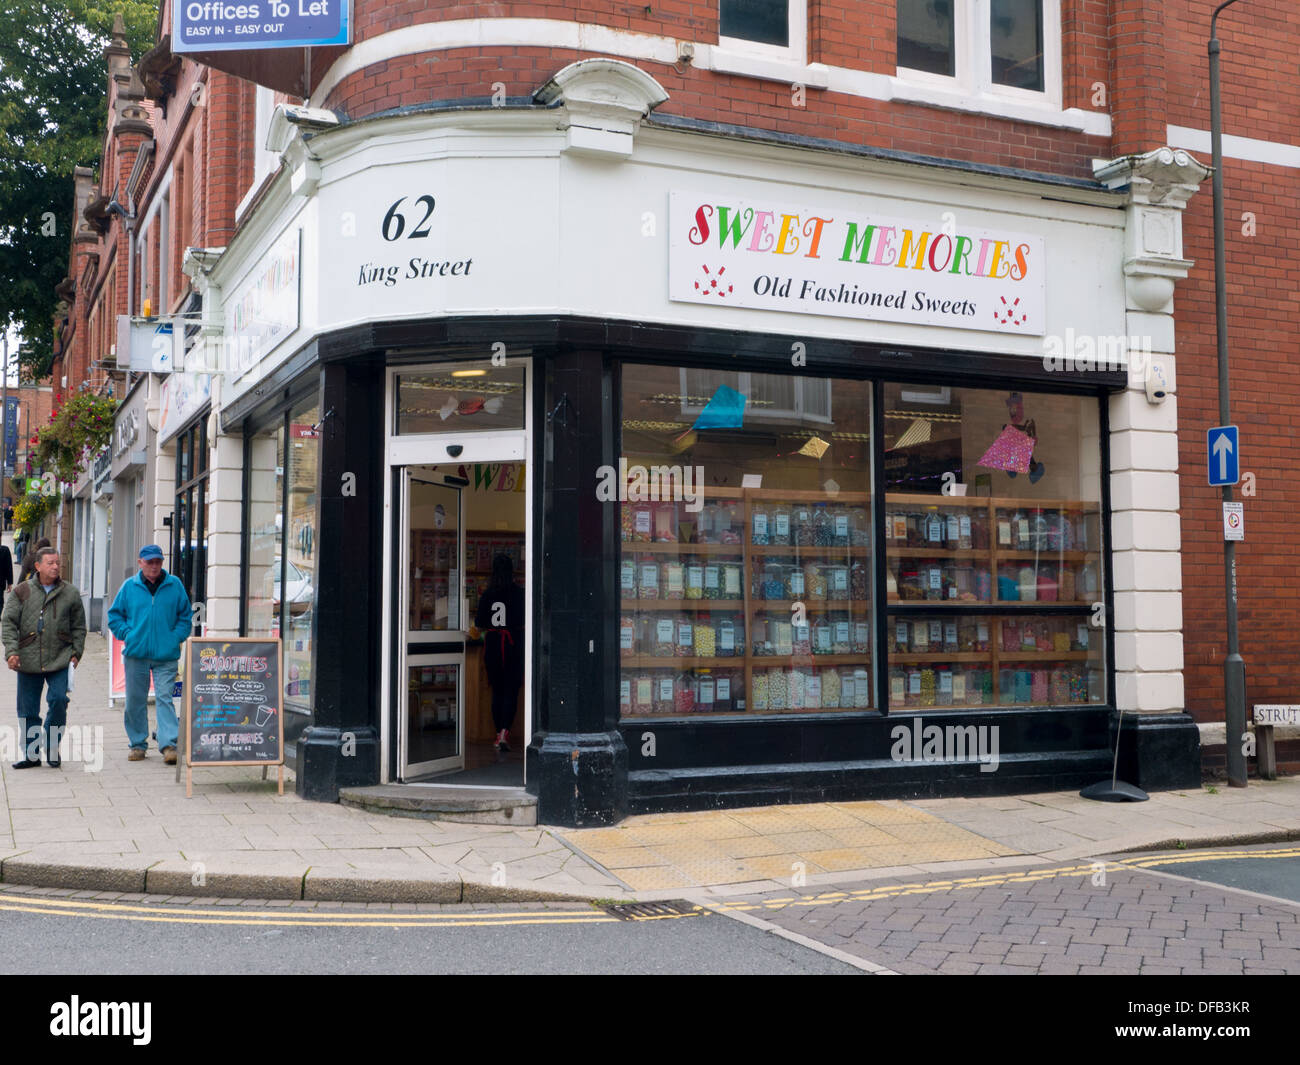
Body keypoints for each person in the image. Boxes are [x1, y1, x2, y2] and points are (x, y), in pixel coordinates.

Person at [107, 545, 192, 764]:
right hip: (137, 653)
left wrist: (176, 637)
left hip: (166, 654)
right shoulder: (129, 587)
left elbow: (185, 616)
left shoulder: (175, 585)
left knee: (164, 698)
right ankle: (137, 744)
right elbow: (115, 616)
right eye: (150, 562)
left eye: (158, 562)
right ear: (140, 562)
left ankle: (169, 744)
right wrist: (128, 634)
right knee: (135, 700)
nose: (154, 566)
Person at [1, 547, 86, 768]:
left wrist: (76, 652)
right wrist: (11, 652)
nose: (56, 566)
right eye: (50, 563)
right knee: (28, 709)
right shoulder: (22, 591)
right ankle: (31, 754)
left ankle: (51, 744)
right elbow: (8, 622)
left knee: (59, 700)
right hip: (28, 658)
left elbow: (79, 626)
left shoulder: (71, 593)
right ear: (37, 566)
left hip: (60, 657)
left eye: (57, 562)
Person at [474, 554, 524, 753]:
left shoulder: (487, 594)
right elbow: (523, 619)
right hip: (513, 644)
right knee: (511, 691)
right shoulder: (519, 593)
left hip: (494, 644)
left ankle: (497, 734)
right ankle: (505, 732)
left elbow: (479, 623)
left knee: (497, 691)